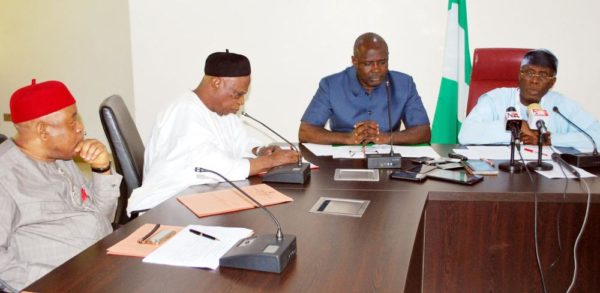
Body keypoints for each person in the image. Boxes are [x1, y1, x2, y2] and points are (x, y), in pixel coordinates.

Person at [128, 50, 299, 215]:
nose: (240, 102)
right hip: (165, 207)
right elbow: (218, 167)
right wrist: (270, 161)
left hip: (198, 198)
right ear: (217, 83)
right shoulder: (185, 112)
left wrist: (259, 151)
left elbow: (237, 143)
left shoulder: (220, 110)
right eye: (237, 94)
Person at [0, 80, 122, 291]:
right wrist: (56, 283)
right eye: (72, 121)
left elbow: (102, 217)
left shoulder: (62, 159)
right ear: (43, 131)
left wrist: (101, 169)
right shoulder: (6, 178)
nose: (81, 128)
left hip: (103, 266)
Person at [299, 32, 431, 145]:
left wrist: (386, 138)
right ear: (354, 61)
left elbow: (423, 131)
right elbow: (306, 131)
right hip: (342, 162)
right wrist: (348, 138)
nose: (376, 69)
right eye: (368, 63)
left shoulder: (404, 84)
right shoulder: (331, 85)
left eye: (382, 62)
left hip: (388, 163)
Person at [458, 49, 600, 149]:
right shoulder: (495, 99)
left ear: (552, 82)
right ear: (520, 75)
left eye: (543, 75)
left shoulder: (560, 105)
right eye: (529, 72)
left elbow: (597, 136)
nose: (534, 80)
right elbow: (465, 134)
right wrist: (517, 126)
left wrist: (549, 140)